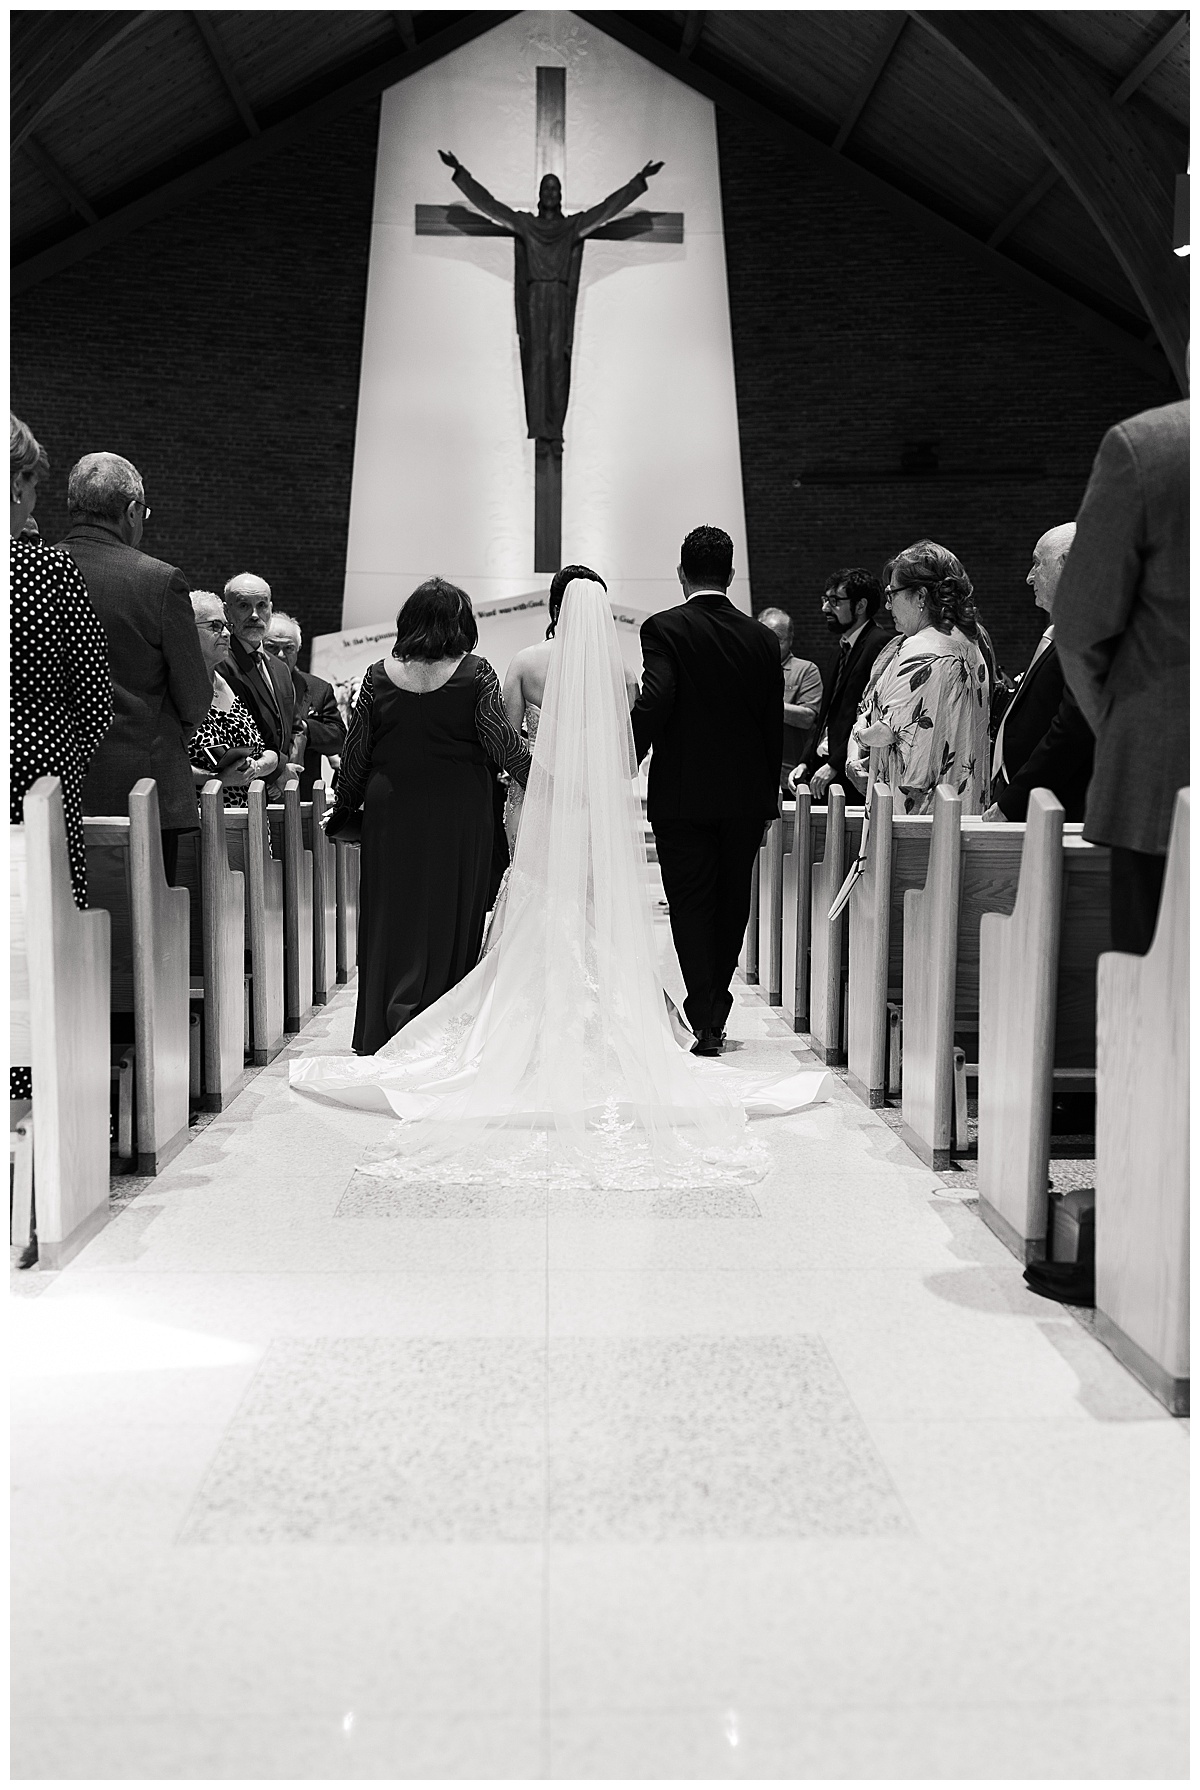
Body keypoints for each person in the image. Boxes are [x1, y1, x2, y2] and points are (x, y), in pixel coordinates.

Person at [290, 575, 830, 1192]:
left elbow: (483, 738)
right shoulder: (606, 672)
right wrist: (571, 781)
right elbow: (613, 750)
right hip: (564, 805)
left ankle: (397, 1025)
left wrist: (530, 789)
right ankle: (571, 1019)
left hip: (464, 806)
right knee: (552, 907)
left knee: (426, 911)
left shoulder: (506, 664)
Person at [328, 577, 533, 1054]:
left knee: (389, 914)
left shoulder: (377, 675)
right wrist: (550, 776)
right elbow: (501, 744)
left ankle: (384, 1029)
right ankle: (440, 1031)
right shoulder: (475, 672)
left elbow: (356, 752)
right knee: (450, 911)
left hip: (391, 807)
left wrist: (344, 807)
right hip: (458, 810)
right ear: (461, 623)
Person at [630, 525, 783, 1057]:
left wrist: (626, 752)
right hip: (744, 797)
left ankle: (706, 1015)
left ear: (681, 574)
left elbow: (659, 697)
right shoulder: (762, 639)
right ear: (731, 575)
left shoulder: (664, 629)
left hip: (682, 796)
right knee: (731, 901)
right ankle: (713, 1006)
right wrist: (769, 798)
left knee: (690, 904)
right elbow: (771, 725)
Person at [1053, 397, 1189, 954]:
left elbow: (1082, 623)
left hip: (1166, 772)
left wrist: (1119, 727)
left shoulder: (1152, 447)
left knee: (1159, 1011)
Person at [9, 414, 113, 1107]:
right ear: (18, 483)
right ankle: (29, 1099)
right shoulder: (43, 571)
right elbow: (95, 695)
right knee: (30, 942)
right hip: (36, 778)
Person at [56, 451, 210, 879]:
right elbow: (197, 697)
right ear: (131, 511)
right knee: (144, 930)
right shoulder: (158, 580)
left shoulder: (30, 570)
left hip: (50, 784)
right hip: (143, 789)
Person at [844, 540, 990, 815]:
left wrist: (858, 738)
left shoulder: (920, 647)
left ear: (921, 596)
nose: (888, 606)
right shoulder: (972, 644)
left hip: (916, 814)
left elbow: (887, 731)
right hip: (961, 805)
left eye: (892, 594)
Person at [502, 563, 639, 851]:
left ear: (555, 609)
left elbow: (508, 748)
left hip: (534, 799)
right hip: (596, 804)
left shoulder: (524, 663)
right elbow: (629, 759)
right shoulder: (622, 674)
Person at [983, 523, 1094, 823]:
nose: (1029, 577)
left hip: (1055, 808)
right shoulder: (1063, 630)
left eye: (1037, 563)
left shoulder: (1087, 632)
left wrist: (1015, 800)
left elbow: (1072, 729)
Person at [787, 568, 893, 801]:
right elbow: (827, 716)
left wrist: (835, 764)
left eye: (834, 601)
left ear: (860, 606)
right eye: (825, 599)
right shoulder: (839, 651)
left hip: (850, 771)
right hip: (824, 766)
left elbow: (870, 715)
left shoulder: (879, 644)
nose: (825, 608)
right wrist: (805, 760)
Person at [187, 593, 278, 808]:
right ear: (186, 631)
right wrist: (215, 779)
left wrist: (256, 767)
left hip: (252, 821)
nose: (227, 633)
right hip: (200, 820)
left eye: (226, 625)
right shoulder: (173, 691)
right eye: (215, 626)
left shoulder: (237, 687)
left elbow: (271, 751)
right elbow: (164, 762)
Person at [219, 573, 306, 799]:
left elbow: (291, 727)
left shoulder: (279, 667)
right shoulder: (220, 662)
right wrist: (276, 772)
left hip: (279, 789)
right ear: (227, 611)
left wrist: (285, 770)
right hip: (239, 789)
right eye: (244, 606)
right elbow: (237, 733)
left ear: (270, 608)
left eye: (261, 605)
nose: (255, 615)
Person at [263, 610, 347, 798]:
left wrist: (304, 728)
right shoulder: (245, 685)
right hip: (258, 794)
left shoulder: (318, 688)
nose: (281, 655)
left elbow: (339, 739)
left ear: (298, 649)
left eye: (289, 648)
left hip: (303, 798)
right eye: (272, 647)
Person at [758, 606, 822, 794]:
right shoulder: (746, 669)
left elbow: (807, 718)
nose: (769, 644)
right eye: (764, 637)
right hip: (752, 775)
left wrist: (761, 702)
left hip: (790, 776)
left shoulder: (806, 670)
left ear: (790, 639)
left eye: (777, 639)